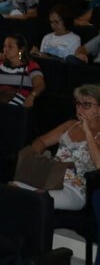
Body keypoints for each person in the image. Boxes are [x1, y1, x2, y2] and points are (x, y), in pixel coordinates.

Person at [15, 84, 100, 212]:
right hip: (51, 177)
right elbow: (41, 141)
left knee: (38, 198)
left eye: (86, 105)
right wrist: (36, 158)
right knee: (13, 187)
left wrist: (88, 131)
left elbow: (99, 164)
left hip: (75, 187)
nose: (79, 108)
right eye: (78, 103)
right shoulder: (70, 125)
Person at [0, 34, 45, 108]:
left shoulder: (30, 65)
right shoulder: (0, 65)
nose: (5, 49)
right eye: (4, 46)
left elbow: (40, 84)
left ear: (21, 50)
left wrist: (32, 96)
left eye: (10, 47)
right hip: (0, 101)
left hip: (18, 105)